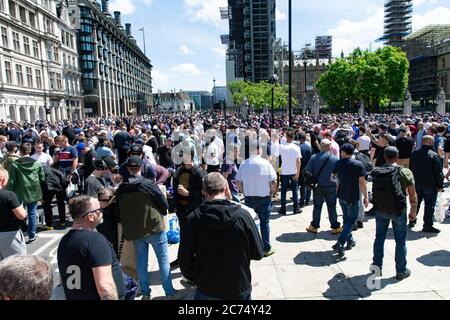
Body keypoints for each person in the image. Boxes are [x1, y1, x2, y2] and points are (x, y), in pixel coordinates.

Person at [179, 173, 264, 300]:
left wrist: (197, 278)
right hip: (238, 287)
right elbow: (258, 252)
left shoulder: (193, 220)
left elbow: (185, 260)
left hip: (207, 288)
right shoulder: (243, 216)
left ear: (204, 192)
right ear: (226, 189)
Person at [116, 156, 185, 300]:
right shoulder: (147, 184)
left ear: (128, 169)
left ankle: (145, 293)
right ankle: (169, 293)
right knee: (163, 261)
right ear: (141, 167)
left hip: (135, 230)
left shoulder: (121, 189)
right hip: (154, 228)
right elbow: (164, 204)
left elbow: (118, 213)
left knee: (141, 263)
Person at [57, 195, 125, 300]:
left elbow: (62, 280)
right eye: (100, 210)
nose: (102, 213)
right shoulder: (95, 241)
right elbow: (105, 287)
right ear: (90, 216)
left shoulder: (64, 241)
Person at [371, 147, 418, 281]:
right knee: (400, 241)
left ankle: (377, 268)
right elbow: (412, 195)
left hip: (381, 209)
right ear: (397, 156)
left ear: (384, 157)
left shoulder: (377, 171)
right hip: (398, 210)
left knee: (379, 239)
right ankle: (401, 271)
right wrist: (413, 210)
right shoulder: (405, 172)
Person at [236, 138, 277, 257]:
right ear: (258, 150)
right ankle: (266, 247)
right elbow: (273, 182)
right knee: (264, 223)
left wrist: (244, 192)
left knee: (251, 224)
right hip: (264, 198)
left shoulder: (244, 164)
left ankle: (252, 247)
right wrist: (271, 194)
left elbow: (238, 182)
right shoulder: (265, 163)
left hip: (249, 198)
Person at [331, 143, 369, 257]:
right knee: (351, 221)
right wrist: (366, 197)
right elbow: (362, 182)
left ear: (342, 152)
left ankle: (350, 240)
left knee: (346, 219)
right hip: (353, 196)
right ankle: (340, 242)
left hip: (341, 195)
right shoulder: (358, 164)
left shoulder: (338, 163)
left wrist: (338, 183)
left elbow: (333, 176)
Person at [7, 143, 45, 243]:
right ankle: (32, 235)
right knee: (32, 213)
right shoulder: (37, 163)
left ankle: (19, 233)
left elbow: (12, 181)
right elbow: (42, 178)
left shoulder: (15, 164)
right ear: (30, 151)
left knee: (17, 213)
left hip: (19, 192)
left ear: (20, 151)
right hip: (34, 191)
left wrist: (9, 192)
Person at [305, 139, 341, 234]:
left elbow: (308, 171)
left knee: (317, 207)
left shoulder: (314, 157)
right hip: (331, 186)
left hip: (318, 186)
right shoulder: (335, 159)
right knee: (332, 207)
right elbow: (337, 174)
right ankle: (335, 227)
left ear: (321, 146)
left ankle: (314, 226)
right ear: (328, 146)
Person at [410, 135, 444, 233]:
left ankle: (412, 220)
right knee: (429, 206)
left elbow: (410, 168)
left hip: (417, 183)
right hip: (430, 185)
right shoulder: (433, 155)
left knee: (415, 203)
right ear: (430, 143)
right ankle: (427, 225)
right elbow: (438, 172)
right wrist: (440, 185)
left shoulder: (414, 153)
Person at [0, 168, 27, 260]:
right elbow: (21, 215)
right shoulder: (9, 195)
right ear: (2, 180)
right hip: (10, 234)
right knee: (17, 265)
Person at [278, 131, 302, 215]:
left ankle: (283, 208)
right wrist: (298, 173)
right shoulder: (296, 147)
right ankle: (296, 208)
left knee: (283, 191)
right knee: (295, 191)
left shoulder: (281, 147)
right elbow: (298, 161)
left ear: (286, 137)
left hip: (284, 171)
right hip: (293, 171)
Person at [298, 132, 312, 208]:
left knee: (302, 186)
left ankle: (302, 201)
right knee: (308, 185)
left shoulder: (299, 147)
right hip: (309, 168)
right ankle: (308, 200)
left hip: (302, 169)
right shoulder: (309, 148)